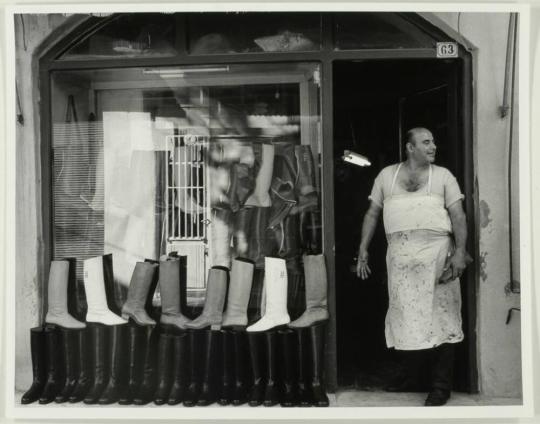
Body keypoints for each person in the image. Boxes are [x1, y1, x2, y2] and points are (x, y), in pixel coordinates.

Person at [356, 127, 471, 407]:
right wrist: (363, 249)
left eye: (433, 141)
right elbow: (373, 213)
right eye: (426, 142)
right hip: (402, 259)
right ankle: (414, 377)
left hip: (439, 257)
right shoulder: (386, 175)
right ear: (410, 147)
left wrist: (460, 253)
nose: (433, 146)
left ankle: (441, 386)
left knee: (442, 317)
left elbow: (458, 215)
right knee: (406, 318)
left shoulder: (443, 176)